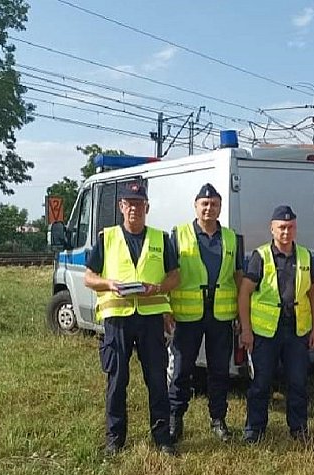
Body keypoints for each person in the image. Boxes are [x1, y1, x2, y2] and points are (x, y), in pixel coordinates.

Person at [84, 178, 181, 457]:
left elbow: (175, 275)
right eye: (129, 204)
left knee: (156, 381)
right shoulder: (108, 237)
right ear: (121, 206)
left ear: (147, 207)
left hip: (151, 319)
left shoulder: (161, 239)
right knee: (117, 381)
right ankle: (115, 439)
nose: (134, 209)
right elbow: (90, 277)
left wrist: (159, 288)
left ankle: (162, 438)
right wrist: (109, 283)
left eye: (139, 204)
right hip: (118, 319)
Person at [238, 205, 314, 443]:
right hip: (265, 331)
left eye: (291, 227)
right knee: (261, 383)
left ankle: (299, 429)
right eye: (282, 227)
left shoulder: (305, 255)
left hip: (296, 330)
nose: (286, 231)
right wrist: (246, 330)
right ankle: (254, 429)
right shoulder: (260, 256)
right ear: (272, 229)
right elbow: (244, 293)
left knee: (298, 382)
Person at [168, 183, 242, 443]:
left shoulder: (232, 238)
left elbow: (239, 276)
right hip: (188, 316)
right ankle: (175, 419)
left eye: (215, 204)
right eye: (205, 204)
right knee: (181, 370)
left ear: (220, 207)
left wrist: (242, 316)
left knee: (219, 371)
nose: (210, 208)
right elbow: (169, 275)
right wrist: (167, 310)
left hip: (221, 316)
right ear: (196, 206)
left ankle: (218, 419)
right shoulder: (178, 235)